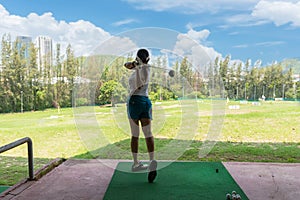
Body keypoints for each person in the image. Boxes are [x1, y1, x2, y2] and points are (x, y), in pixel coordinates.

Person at [124, 48, 157, 183]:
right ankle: (151, 160)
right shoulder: (140, 67)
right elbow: (126, 65)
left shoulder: (144, 70)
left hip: (134, 101)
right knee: (148, 133)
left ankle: (136, 163)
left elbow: (138, 85)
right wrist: (133, 64)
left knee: (135, 135)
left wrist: (137, 69)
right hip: (145, 102)